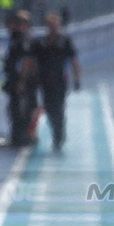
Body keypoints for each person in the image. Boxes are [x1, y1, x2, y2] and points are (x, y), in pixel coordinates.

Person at [32, 12, 81, 150]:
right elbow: (33, 62)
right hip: (45, 81)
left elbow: (74, 61)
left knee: (59, 107)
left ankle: (59, 134)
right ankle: (55, 130)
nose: (52, 27)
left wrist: (77, 79)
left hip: (60, 81)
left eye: (55, 25)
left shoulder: (65, 42)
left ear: (58, 26)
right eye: (50, 25)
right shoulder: (40, 43)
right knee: (48, 108)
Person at [2, 11, 38, 146]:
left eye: (19, 24)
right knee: (14, 109)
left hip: (23, 83)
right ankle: (18, 134)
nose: (15, 26)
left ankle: (24, 135)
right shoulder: (15, 40)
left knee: (23, 110)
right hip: (14, 81)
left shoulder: (26, 41)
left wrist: (22, 81)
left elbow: (27, 62)